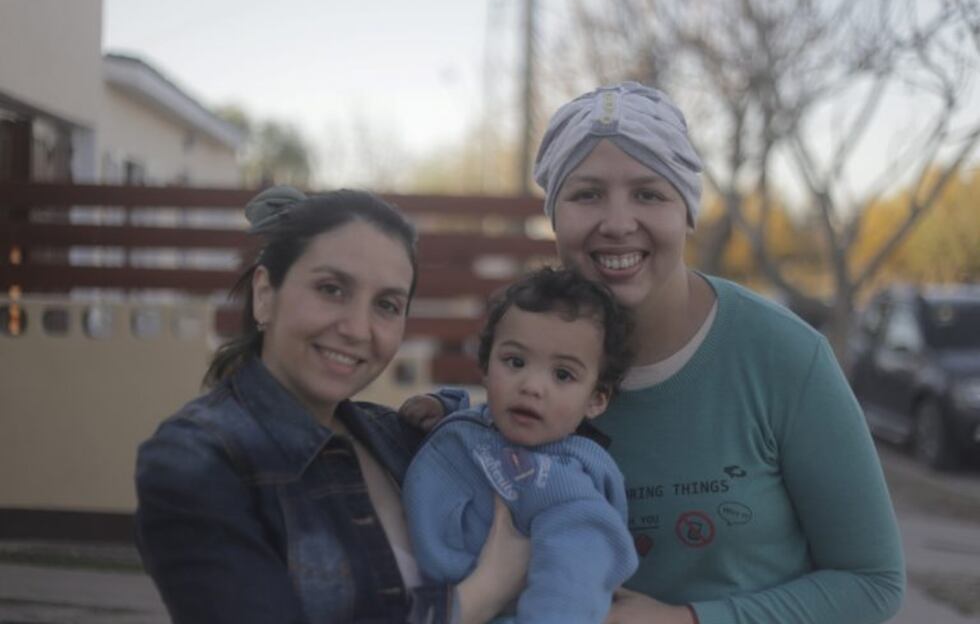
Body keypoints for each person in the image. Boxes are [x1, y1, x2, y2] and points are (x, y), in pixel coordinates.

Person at [405, 82, 906, 624]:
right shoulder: (535, 346)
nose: (618, 223)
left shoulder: (785, 356)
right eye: (586, 194)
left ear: (687, 211)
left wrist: (687, 620)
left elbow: (871, 583)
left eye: (649, 193)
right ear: (555, 215)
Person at [134, 186, 529, 624]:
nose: (359, 329)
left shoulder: (403, 439)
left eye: (387, 305)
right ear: (265, 293)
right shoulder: (197, 459)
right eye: (332, 289)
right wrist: (485, 591)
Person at [401, 267, 638, 624]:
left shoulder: (561, 483)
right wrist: (443, 407)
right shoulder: (483, 424)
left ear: (596, 399)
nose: (531, 386)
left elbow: (571, 582)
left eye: (563, 375)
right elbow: (476, 419)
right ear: (485, 365)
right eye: (515, 362)